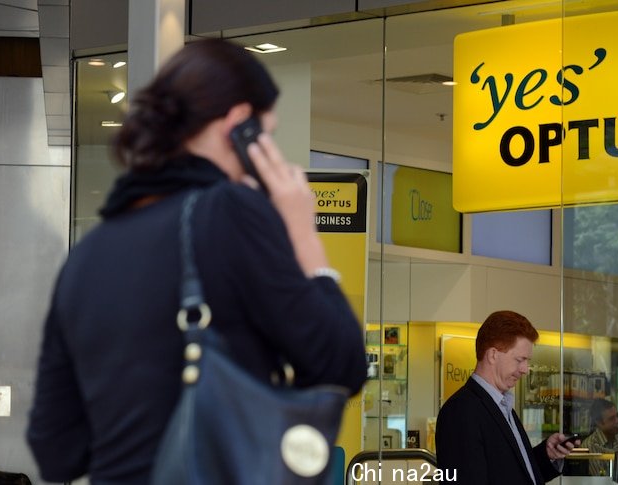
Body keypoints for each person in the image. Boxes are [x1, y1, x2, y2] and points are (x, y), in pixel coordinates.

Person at [25, 39, 367, 484]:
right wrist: (303, 233)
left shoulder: (88, 255)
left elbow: (56, 452)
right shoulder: (230, 211)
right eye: (266, 132)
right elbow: (340, 364)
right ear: (239, 124)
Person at [435, 310, 577, 485]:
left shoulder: (501, 404)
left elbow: (512, 473)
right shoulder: (460, 411)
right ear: (493, 355)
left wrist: (546, 454)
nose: (525, 369)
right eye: (520, 360)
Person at [581, 398, 618, 479]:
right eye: (612, 419)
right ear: (599, 423)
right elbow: (601, 480)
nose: (617, 421)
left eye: (617, 415)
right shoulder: (589, 447)